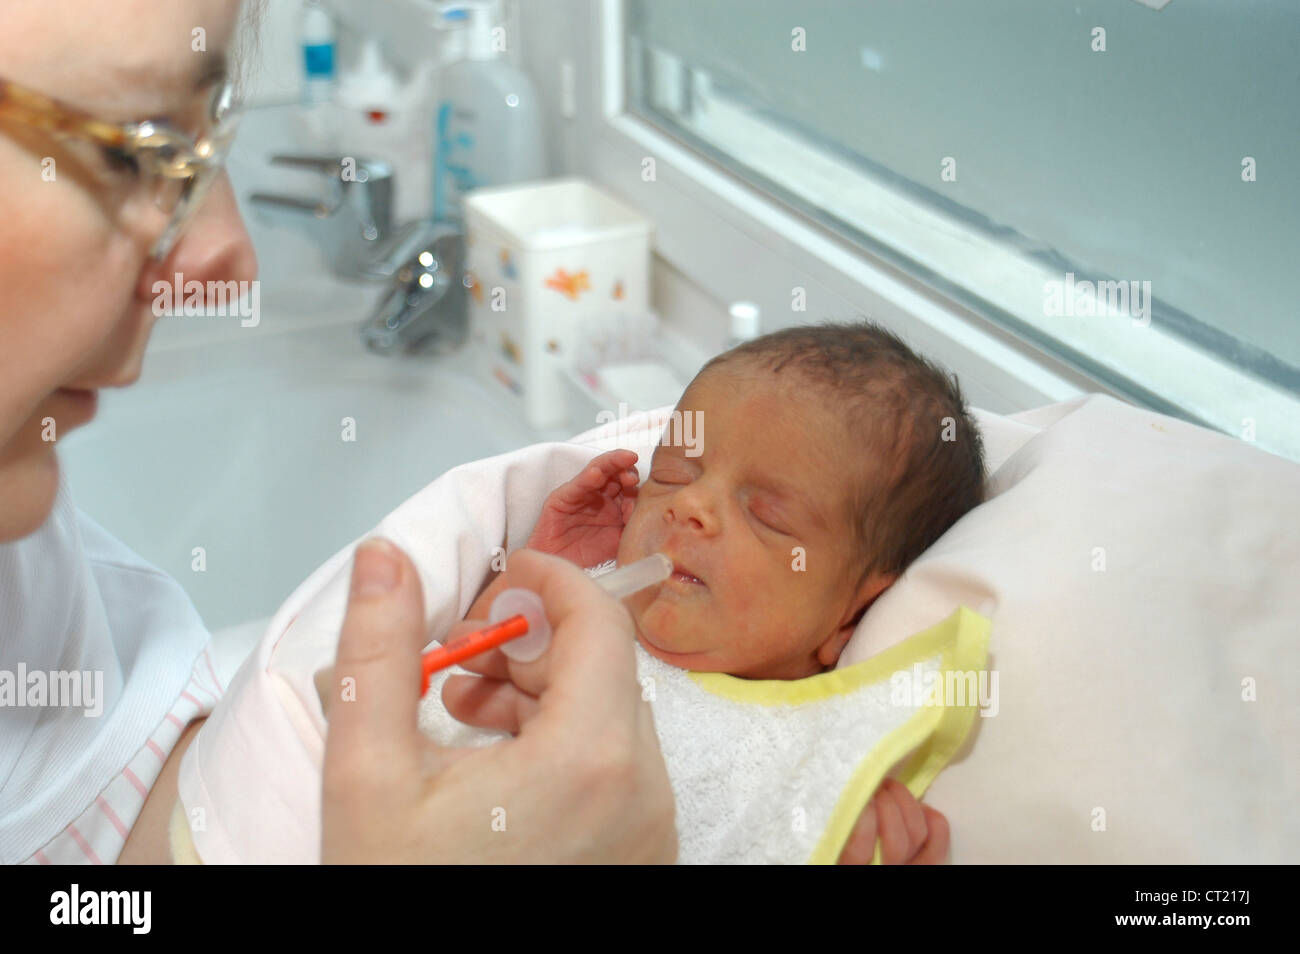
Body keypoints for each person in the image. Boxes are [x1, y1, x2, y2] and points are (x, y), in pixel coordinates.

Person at [0, 0, 674, 865]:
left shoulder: (29, 573)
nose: (226, 258)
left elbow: (108, 846)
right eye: (135, 149)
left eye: (208, 140)